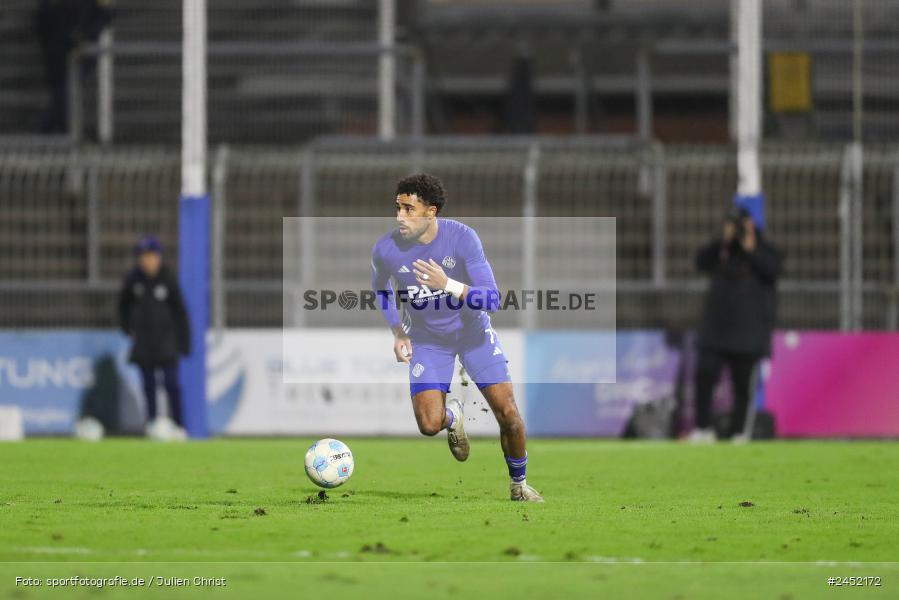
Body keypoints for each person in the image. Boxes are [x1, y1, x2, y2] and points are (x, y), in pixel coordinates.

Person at [370, 174, 543, 502]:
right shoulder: (386, 249)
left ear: (430, 212)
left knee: (508, 414)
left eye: (409, 209)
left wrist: (446, 283)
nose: (399, 217)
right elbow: (379, 289)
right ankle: (454, 417)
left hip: (473, 336)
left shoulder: (463, 238)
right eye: (398, 208)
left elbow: (493, 299)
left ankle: (518, 485)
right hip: (428, 341)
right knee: (429, 424)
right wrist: (397, 330)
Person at [690, 207, 783, 443]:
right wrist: (722, 240)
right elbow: (700, 262)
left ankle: (740, 431)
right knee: (704, 376)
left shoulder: (764, 249)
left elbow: (773, 271)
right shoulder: (722, 249)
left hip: (747, 332)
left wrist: (750, 247)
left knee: (743, 385)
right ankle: (702, 428)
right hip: (715, 329)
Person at [118, 236, 190, 438]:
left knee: (172, 385)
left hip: (167, 343)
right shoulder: (133, 280)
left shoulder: (168, 279)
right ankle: (152, 425)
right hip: (143, 344)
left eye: (151, 256)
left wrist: (184, 343)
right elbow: (122, 306)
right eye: (143, 257)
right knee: (148, 386)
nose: (147, 261)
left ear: (158, 257)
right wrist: (126, 328)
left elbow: (180, 312)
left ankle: (178, 425)